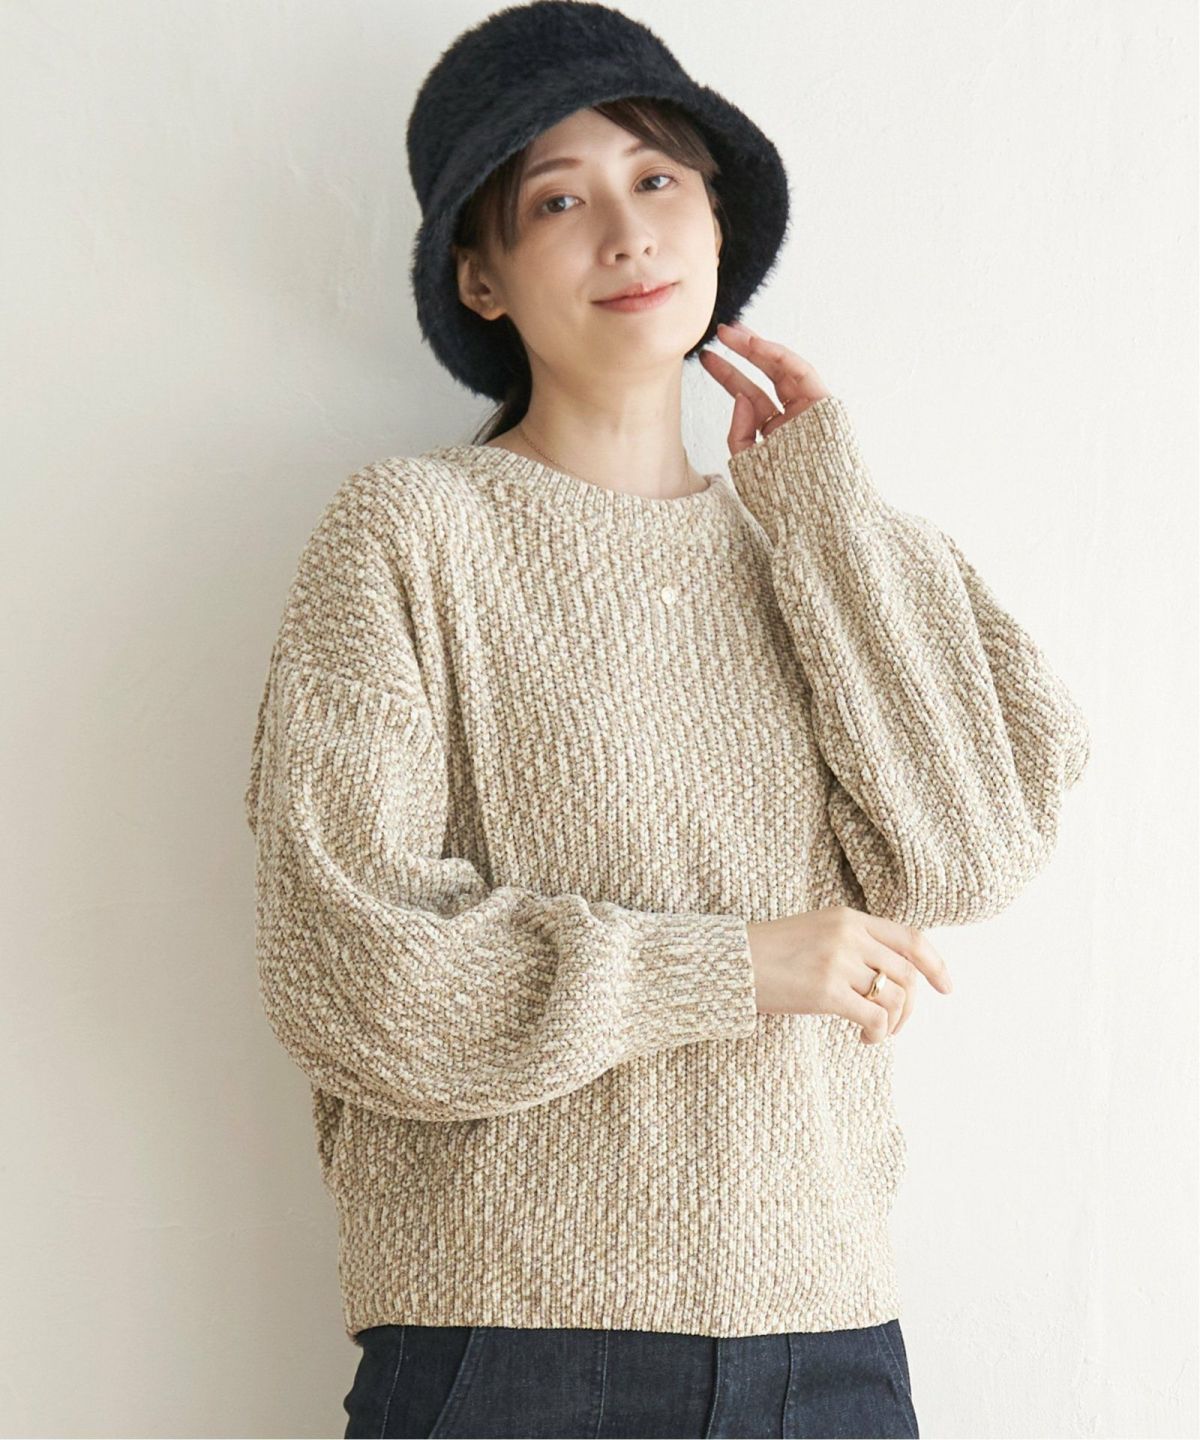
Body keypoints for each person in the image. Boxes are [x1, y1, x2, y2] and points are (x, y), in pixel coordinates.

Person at [243, 4, 1091, 1437]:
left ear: (716, 222)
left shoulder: (831, 547)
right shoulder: (412, 533)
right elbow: (349, 973)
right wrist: (737, 967)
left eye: (658, 179)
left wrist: (825, 515)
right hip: (508, 1339)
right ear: (481, 276)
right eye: (557, 201)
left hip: (825, 1340)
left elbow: (969, 854)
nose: (628, 234)